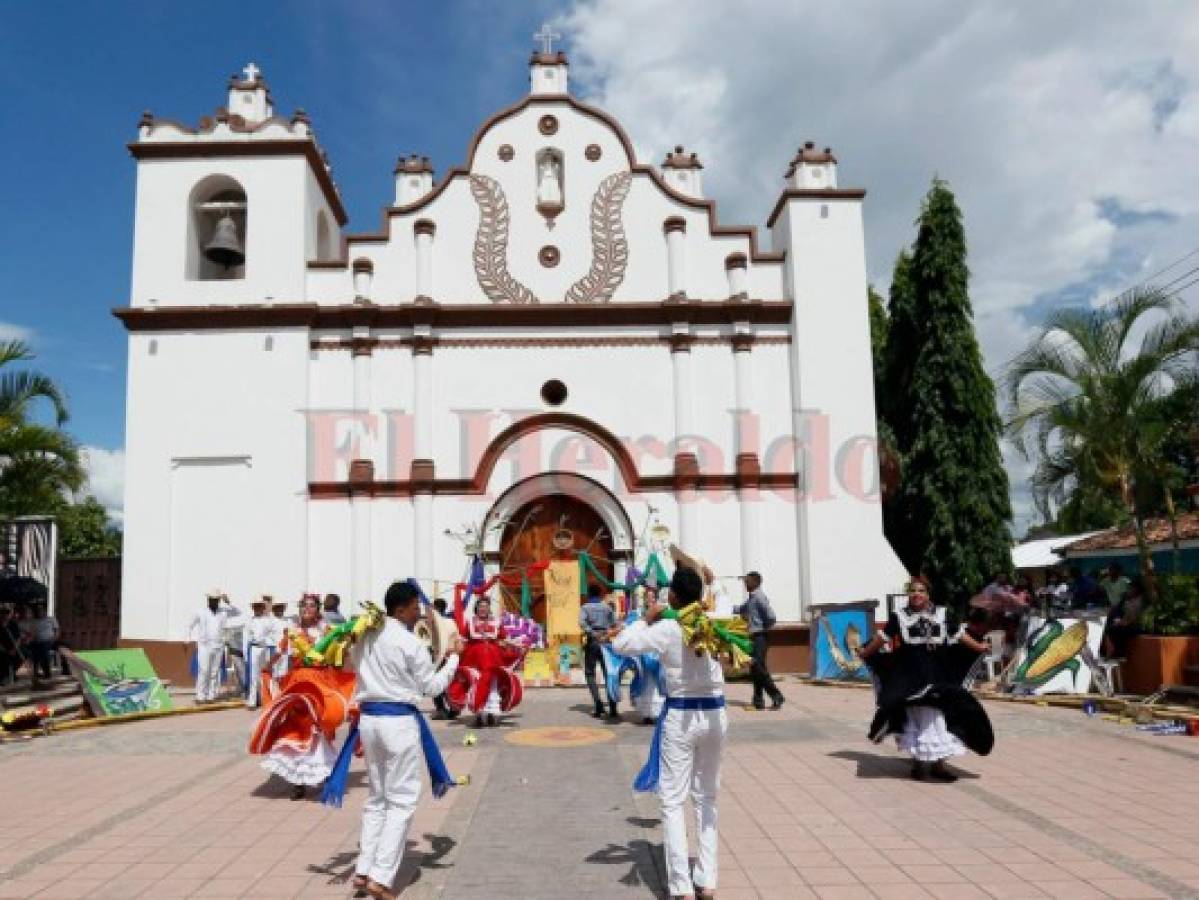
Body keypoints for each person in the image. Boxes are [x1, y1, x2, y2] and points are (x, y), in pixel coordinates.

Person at [611, 567, 726, 900]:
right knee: (707, 798)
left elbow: (621, 644)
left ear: (673, 596)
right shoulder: (715, 620)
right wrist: (710, 580)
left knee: (673, 801)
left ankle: (682, 886)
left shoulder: (667, 627)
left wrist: (646, 616)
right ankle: (707, 880)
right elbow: (722, 603)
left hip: (681, 715)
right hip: (716, 713)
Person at [347, 581, 463, 899]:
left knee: (378, 798)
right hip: (397, 723)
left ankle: (364, 869)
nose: (419, 613)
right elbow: (431, 687)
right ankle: (381, 878)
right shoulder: (408, 643)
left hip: (370, 721)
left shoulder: (364, 637)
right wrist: (453, 658)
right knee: (401, 800)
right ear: (400, 609)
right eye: (415, 607)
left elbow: (352, 668)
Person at [860, 576, 992, 781]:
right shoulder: (899, 616)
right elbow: (882, 638)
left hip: (938, 670)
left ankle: (938, 765)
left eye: (921, 591)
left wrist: (979, 647)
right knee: (920, 716)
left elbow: (958, 634)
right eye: (912, 591)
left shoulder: (942, 613)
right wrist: (866, 652)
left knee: (940, 716)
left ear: (928, 594)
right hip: (911, 673)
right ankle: (920, 765)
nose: (916, 594)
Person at [249, 593, 348, 800]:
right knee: (297, 727)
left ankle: (321, 774)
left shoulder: (326, 631)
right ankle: (298, 782)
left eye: (310, 606)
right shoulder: (292, 632)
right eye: (303, 606)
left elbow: (340, 652)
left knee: (318, 728)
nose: (306, 610)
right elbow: (279, 651)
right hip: (298, 684)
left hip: (319, 684)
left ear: (318, 609)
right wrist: (267, 668)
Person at [446, 596, 525, 727]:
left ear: (489, 609)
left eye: (485, 606)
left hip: (493, 656)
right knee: (477, 684)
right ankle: (479, 714)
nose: (483, 609)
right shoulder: (470, 623)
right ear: (476, 608)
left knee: (492, 684)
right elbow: (463, 640)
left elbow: (504, 639)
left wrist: (517, 646)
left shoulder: (496, 622)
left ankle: (493, 715)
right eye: (481, 606)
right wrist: (453, 649)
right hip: (474, 658)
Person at [735, 571, 784, 711]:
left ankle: (777, 696)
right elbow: (740, 609)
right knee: (755, 670)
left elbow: (771, 617)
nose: (745, 584)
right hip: (753, 637)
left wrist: (763, 628)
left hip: (760, 637)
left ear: (756, 582)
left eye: (747, 581)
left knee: (759, 668)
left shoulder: (759, 598)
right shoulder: (752, 598)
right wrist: (723, 607)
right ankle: (758, 701)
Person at [187, 591, 241, 704]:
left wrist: (228, 601)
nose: (214, 601)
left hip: (218, 645)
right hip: (204, 645)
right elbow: (190, 624)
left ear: (219, 601)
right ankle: (201, 696)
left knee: (214, 672)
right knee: (204, 670)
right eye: (212, 599)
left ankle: (211, 695)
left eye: (216, 599)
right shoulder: (200, 612)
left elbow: (237, 612)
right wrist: (188, 637)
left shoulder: (223, 612)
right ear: (208, 600)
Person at [579, 586, 619, 720]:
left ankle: (598, 703)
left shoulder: (585, 608)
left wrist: (592, 633)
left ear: (589, 594)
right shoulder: (607, 608)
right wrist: (606, 633)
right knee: (609, 673)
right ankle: (613, 706)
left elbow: (581, 623)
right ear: (601, 594)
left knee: (590, 673)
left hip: (592, 642)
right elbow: (614, 624)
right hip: (606, 643)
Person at [243, 596, 277, 709]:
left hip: (265, 649)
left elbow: (273, 635)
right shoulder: (249, 621)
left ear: (263, 608)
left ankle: (264, 699)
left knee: (264, 674)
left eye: (259, 606)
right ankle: (252, 700)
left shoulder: (269, 620)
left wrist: (268, 644)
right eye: (255, 606)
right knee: (253, 676)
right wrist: (245, 654)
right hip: (254, 649)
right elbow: (246, 637)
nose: (257, 609)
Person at [430, 599, 459, 720]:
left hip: (438, 655)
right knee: (449, 681)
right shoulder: (451, 621)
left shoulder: (433, 623)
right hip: (450, 654)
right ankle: (454, 707)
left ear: (436, 608)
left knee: (437, 682)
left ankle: (441, 709)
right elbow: (456, 637)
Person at [1103, 575, 1145, 658]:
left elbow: (1134, 617)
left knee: (1112, 630)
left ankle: (1115, 652)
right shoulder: (1128, 600)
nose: (1129, 590)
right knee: (1109, 626)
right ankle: (1113, 651)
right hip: (1128, 623)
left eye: (1131, 588)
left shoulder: (1140, 601)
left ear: (1136, 589)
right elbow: (1124, 614)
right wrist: (1120, 621)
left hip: (1137, 625)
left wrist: (1122, 622)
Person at [0, 605, 24, 685]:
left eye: (7, 614)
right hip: (2, 648)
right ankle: (4, 677)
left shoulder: (13, 624)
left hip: (13, 646)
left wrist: (14, 649)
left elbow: (18, 638)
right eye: (3, 614)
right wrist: (6, 650)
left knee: (23, 655)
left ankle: (11, 674)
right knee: (5, 658)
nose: (5, 616)